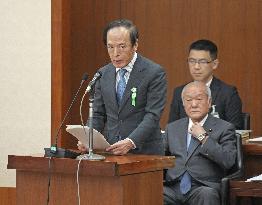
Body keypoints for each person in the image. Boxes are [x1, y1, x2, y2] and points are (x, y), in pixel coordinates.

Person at [78, 19, 167, 155]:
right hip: (111, 150)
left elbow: (153, 115)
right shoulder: (103, 74)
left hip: (144, 151)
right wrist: (87, 138)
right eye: (110, 47)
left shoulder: (154, 73)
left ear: (135, 45)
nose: (115, 53)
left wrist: (131, 141)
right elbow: (97, 114)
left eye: (122, 46)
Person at [164, 81, 236, 205]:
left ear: (209, 102)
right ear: (183, 104)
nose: (194, 104)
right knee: (150, 191)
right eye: (188, 100)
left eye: (199, 99)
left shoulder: (224, 128)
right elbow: (160, 156)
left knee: (207, 195)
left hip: (203, 186)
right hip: (173, 187)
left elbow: (228, 160)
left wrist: (203, 137)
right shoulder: (172, 128)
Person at [168, 39, 243, 129]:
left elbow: (235, 130)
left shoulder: (227, 93)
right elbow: (172, 128)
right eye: (192, 61)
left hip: (216, 142)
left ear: (214, 64)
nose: (196, 67)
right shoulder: (179, 92)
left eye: (202, 62)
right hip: (185, 142)